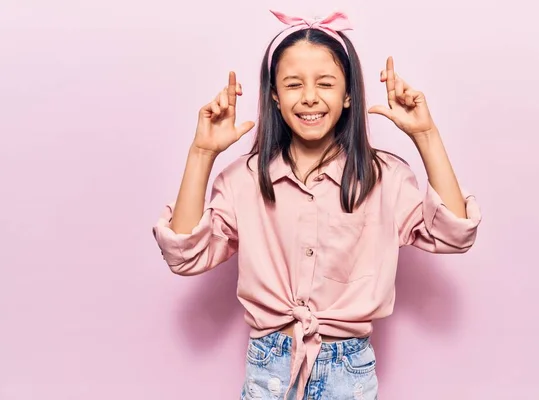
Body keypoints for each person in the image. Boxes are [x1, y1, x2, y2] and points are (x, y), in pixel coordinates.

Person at [152, 9, 482, 400]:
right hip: (268, 368)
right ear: (274, 95)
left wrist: (426, 135)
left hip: (350, 372)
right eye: (293, 84)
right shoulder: (243, 180)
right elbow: (185, 256)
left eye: (325, 83)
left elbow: (454, 234)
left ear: (348, 95)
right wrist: (202, 153)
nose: (309, 97)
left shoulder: (385, 178)